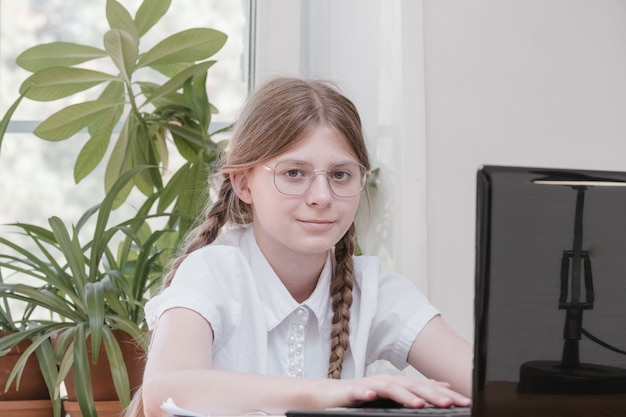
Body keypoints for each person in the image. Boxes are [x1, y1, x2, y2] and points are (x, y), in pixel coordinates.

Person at [138, 77, 472, 417]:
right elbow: (163, 394)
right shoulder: (213, 273)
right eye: (294, 173)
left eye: (341, 175)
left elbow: (497, 388)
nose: (322, 197)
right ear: (243, 183)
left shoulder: (372, 290)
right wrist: (335, 393)